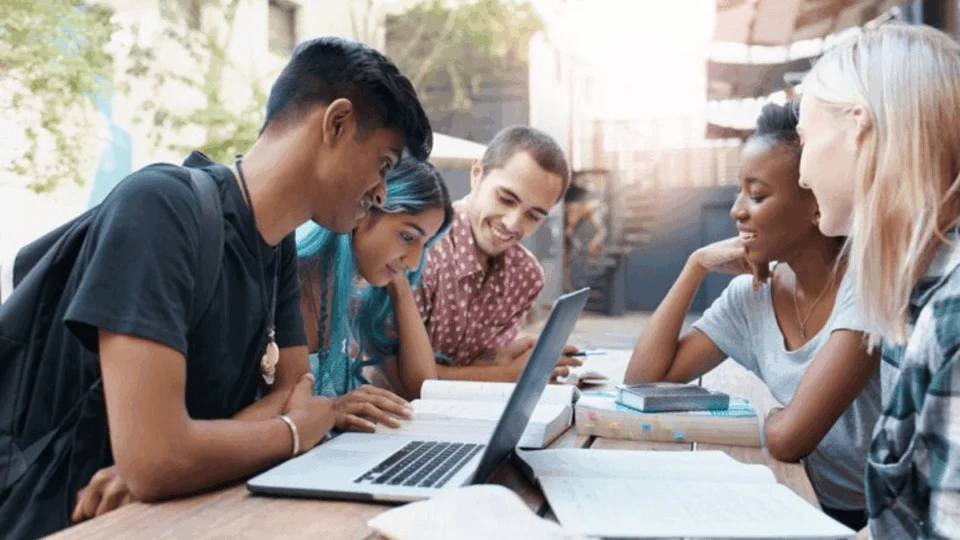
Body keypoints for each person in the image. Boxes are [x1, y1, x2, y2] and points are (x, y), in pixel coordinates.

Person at [0, 36, 431, 538]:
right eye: (382, 164)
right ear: (336, 123)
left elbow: (296, 388)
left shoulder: (277, 249)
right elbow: (156, 460)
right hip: (67, 521)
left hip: (173, 518)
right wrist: (292, 431)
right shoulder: (160, 208)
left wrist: (195, 449)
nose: (380, 193)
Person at [623, 102, 881, 531]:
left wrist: (771, 414)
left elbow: (788, 439)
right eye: (740, 192)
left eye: (757, 195)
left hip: (876, 518)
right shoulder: (752, 295)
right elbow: (642, 381)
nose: (737, 210)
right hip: (801, 497)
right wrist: (694, 267)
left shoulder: (868, 285)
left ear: (817, 204)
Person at [796, 23, 960, 540]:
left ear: (858, 126)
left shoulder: (951, 323)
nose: (801, 175)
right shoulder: (910, 301)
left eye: (804, 139)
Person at [414, 125, 580, 382]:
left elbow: (475, 365)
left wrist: (505, 357)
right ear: (477, 174)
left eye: (533, 216)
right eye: (506, 199)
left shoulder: (527, 277)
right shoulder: (421, 250)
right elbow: (396, 376)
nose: (513, 223)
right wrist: (506, 374)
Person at [297, 157, 453, 420]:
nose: (415, 262)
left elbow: (420, 387)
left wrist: (399, 282)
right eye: (407, 237)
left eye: (424, 245)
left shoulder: (355, 300)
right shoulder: (293, 281)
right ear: (363, 211)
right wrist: (332, 413)